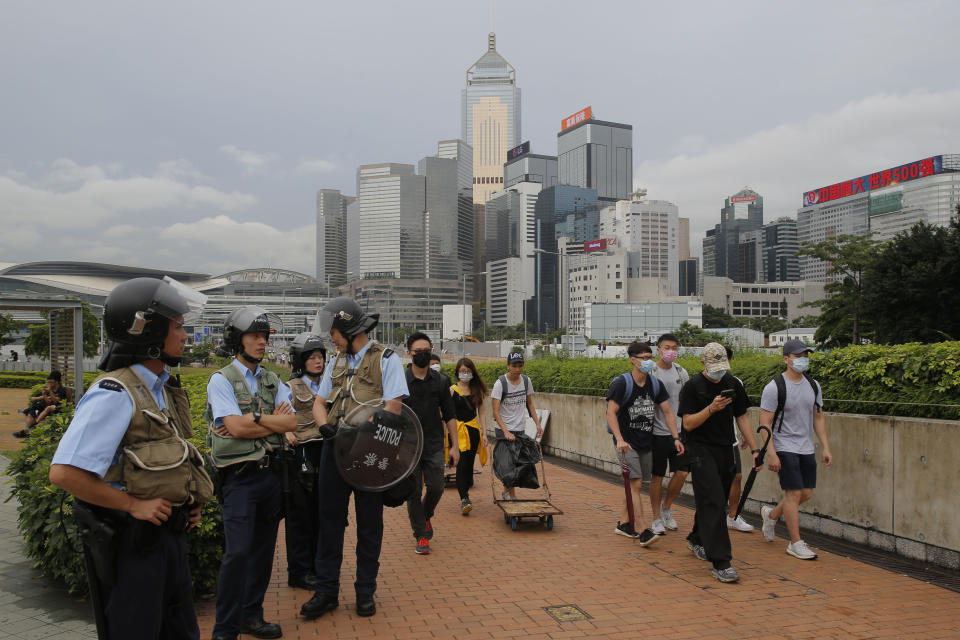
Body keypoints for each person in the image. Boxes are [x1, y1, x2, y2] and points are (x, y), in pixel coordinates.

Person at [49, 277, 213, 639]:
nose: (185, 336)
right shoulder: (115, 392)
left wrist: (185, 501)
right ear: (148, 332)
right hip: (134, 547)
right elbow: (64, 473)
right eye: (178, 327)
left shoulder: (160, 389)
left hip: (167, 540)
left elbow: (166, 460)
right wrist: (131, 505)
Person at [300, 297, 408, 620]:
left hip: (369, 452)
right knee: (329, 521)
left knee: (369, 524)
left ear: (347, 329)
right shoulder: (336, 360)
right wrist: (324, 427)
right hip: (335, 451)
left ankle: (365, 592)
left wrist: (357, 434)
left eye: (333, 332)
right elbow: (320, 403)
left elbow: (393, 408)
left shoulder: (387, 359)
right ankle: (326, 591)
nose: (330, 338)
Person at [206, 305, 297, 640]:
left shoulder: (274, 379)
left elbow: (292, 423)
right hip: (240, 479)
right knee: (238, 553)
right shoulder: (222, 380)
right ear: (236, 339)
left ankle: (251, 616)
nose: (262, 342)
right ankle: (225, 629)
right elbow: (233, 427)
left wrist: (254, 421)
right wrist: (268, 422)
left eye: (264, 336)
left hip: (272, 475)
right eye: (254, 335)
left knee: (261, 553)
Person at [677, 342, 761, 584]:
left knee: (715, 499)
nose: (719, 372)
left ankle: (696, 537)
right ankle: (722, 562)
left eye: (723, 366)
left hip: (726, 448)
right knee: (713, 501)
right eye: (714, 367)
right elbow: (688, 424)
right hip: (700, 450)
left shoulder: (732, 383)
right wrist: (711, 409)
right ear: (703, 363)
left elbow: (742, 416)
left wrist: (754, 447)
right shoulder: (693, 386)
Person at [758, 339, 834, 560]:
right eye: (798, 356)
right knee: (792, 494)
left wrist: (826, 447)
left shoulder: (813, 385)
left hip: (806, 446)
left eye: (805, 356)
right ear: (786, 359)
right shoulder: (774, 387)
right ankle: (795, 542)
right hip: (783, 445)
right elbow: (765, 423)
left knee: (806, 493)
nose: (802, 360)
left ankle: (771, 515)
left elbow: (818, 417)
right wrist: (771, 452)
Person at [605, 342, 675, 546]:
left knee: (636, 484)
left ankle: (624, 524)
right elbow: (611, 413)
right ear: (632, 360)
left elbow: (668, 411)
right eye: (643, 358)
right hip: (627, 443)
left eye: (649, 357)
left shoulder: (655, 384)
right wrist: (619, 439)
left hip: (646, 441)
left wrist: (676, 437)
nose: (647, 361)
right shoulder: (621, 384)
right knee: (635, 484)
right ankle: (642, 528)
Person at [404, 332, 458, 554]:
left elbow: (450, 415)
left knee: (437, 486)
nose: (423, 355)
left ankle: (426, 515)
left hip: (434, 442)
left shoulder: (441, 381)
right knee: (413, 492)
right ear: (409, 354)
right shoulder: (400, 380)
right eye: (419, 352)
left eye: (427, 351)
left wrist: (454, 446)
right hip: (407, 446)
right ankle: (421, 535)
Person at [283, 332, 327, 590]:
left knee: (322, 513)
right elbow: (279, 413)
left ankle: (317, 566)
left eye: (320, 356)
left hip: (326, 451)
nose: (318, 361)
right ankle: (299, 571)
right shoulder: (289, 386)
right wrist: (287, 432)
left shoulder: (330, 384)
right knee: (301, 515)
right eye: (312, 357)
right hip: (302, 454)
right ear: (301, 361)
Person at [648, 334, 689, 535]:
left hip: (680, 432)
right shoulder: (652, 373)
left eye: (674, 347)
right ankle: (656, 517)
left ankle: (667, 508)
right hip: (657, 433)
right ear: (658, 349)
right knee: (657, 476)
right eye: (667, 347)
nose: (670, 351)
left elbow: (686, 401)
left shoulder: (681, 373)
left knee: (681, 473)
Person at [491, 351, 542, 499]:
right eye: (514, 365)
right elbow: (495, 411)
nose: (517, 369)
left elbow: (530, 404)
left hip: (520, 428)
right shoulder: (500, 383)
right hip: (504, 430)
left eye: (520, 365)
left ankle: (508, 492)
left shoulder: (526, 381)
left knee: (521, 463)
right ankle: (510, 494)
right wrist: (506, 432)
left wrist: (538, 424)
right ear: (508, 366)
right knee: (508, 465)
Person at [449, 357, 489, 515]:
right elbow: (448, 412)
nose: (465, 373)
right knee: (461, 463)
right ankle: (464, 498)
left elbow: (482, 412)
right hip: (458, 432)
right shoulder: (452, 390)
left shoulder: (476, 390)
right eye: (462, 371)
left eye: (468, 371)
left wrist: (484, 433)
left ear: (472, 372)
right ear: (457, 372)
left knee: (469, 463)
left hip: (472, 431)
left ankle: (465, 490)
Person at [724, 346, 755, 533]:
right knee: (714, 482)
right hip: (707, 444)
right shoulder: (699, 382)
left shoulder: (735, 382)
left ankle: (733, 516)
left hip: (731, 441)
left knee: (737, 476)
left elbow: (741, 413)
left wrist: (746, 436)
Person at [14, 371, 69, 437]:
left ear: (56, 382)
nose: (49, 384)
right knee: (31, 412)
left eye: (51, 382)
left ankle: (33, 426)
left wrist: (49, 392)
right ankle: (27, 431)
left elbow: (55, 402)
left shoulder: (61, 389)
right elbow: (48, 401)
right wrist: (44, 394)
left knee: (45, 410)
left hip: (57, 407)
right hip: (47, 407)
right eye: (48, 382)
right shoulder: (51, 388)